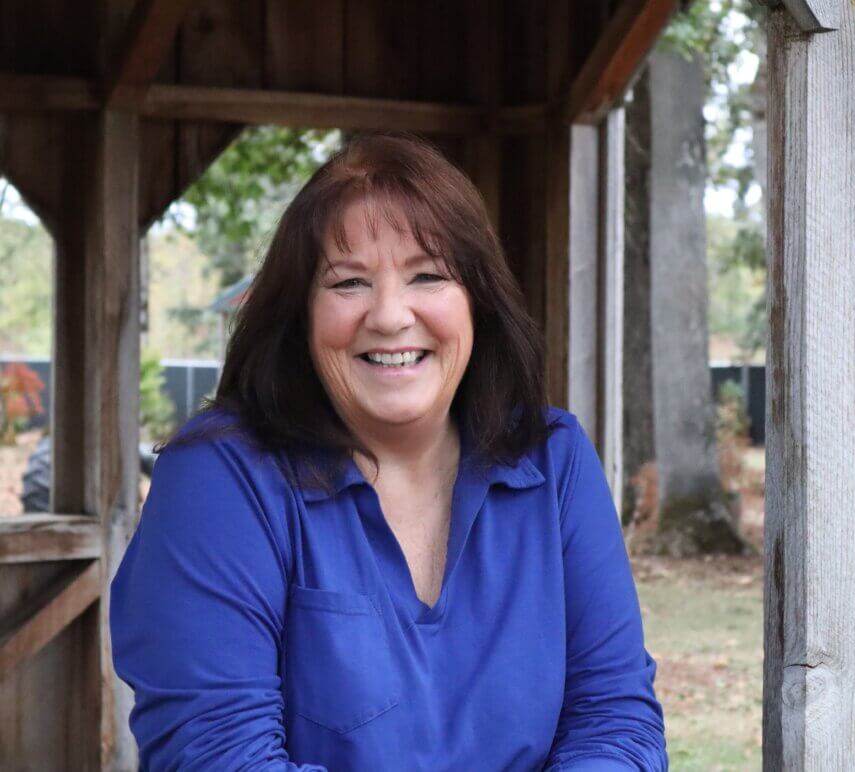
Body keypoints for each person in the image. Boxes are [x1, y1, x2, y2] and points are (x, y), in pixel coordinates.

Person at [109, 132, 669, 771]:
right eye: (348, 283)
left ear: (477, 302)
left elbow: (616, 719)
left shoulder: (554, 461)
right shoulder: (219, 480)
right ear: (301, 315)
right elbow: (218, 756)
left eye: (428, 275)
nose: (390, 315)